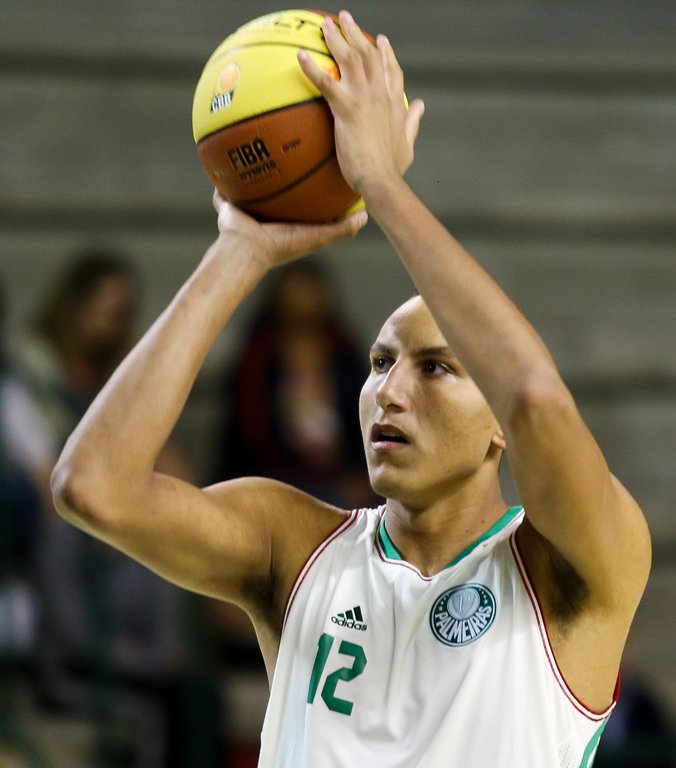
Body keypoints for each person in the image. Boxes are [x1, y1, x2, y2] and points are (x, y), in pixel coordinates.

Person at [50, 11, 651, 767]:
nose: (390, 391)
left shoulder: (571, 568)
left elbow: (534, 396)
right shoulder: (294, 546)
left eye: (435, 366)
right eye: (376, 363)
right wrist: (240, 249)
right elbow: (91, 486)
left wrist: (379, 184)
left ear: (499, 426)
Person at [214, 258, 374, 507]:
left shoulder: (344, 351)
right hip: (269, 476)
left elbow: (363, 416)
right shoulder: (259, 355)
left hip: (340, 478)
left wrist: (361, 474)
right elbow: (250, 431)